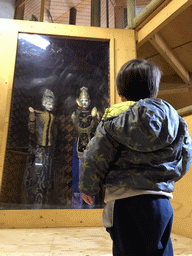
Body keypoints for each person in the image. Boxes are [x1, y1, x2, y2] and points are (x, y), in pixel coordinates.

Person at [79, 59, 192, 255]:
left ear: (121, 95)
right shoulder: (174, 120)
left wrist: (89, 187)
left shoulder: (114, 121)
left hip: (124, 203)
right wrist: (165, 179)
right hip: (161, 203)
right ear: (155, 92)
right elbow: (186, 155)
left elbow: (95, 155)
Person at [23, 89, 58, 208]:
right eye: (48, 103)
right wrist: (32, 117)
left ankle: (44, 201)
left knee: (46, 174)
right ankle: (34, 202)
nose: (50, 105)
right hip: (38, 147)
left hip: (48, 149)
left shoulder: (52, 117)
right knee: (36, 174)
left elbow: (54, 134)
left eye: (51, 103)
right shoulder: (38, 115)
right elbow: (31, 130)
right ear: (43, 103)